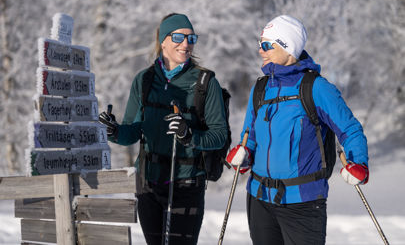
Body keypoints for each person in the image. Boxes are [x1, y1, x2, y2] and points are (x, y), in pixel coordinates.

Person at [226, 15, 369, 245]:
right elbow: (250, 136)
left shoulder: (316, 88)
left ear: (287, 47)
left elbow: (350, 129)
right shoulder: (261, 88)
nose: (261, 51)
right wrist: (243, 156)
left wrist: (358, 163)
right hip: (260, 200)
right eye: (260, 44)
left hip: (303, 203)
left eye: (266, 45)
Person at [99, 13, 227, 245]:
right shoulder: (144, 80)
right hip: (148, 184)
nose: (186, 44)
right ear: (163, 40)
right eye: (178, 37)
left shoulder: (205, 83)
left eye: (191, 38)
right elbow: (132, 131)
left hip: (187, 185)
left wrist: (190, 135)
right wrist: (113, 131)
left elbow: (219, 135)